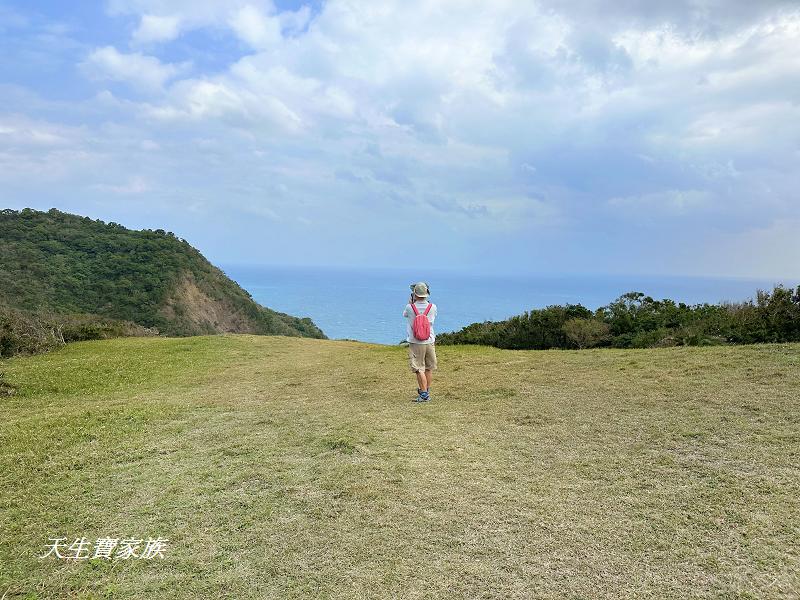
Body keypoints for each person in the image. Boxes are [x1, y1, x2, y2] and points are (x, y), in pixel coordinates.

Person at [403, 282, 438, 402]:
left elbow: (405, 315)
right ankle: (426, 390)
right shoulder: (432, 307)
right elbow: (433, 319)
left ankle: (424, 395)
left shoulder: (410, 307)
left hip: (415, 341)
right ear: (427, 294)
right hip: (429, 340)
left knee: (419, 368)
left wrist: (411, 303)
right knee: (428, 368)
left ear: (414, 294)